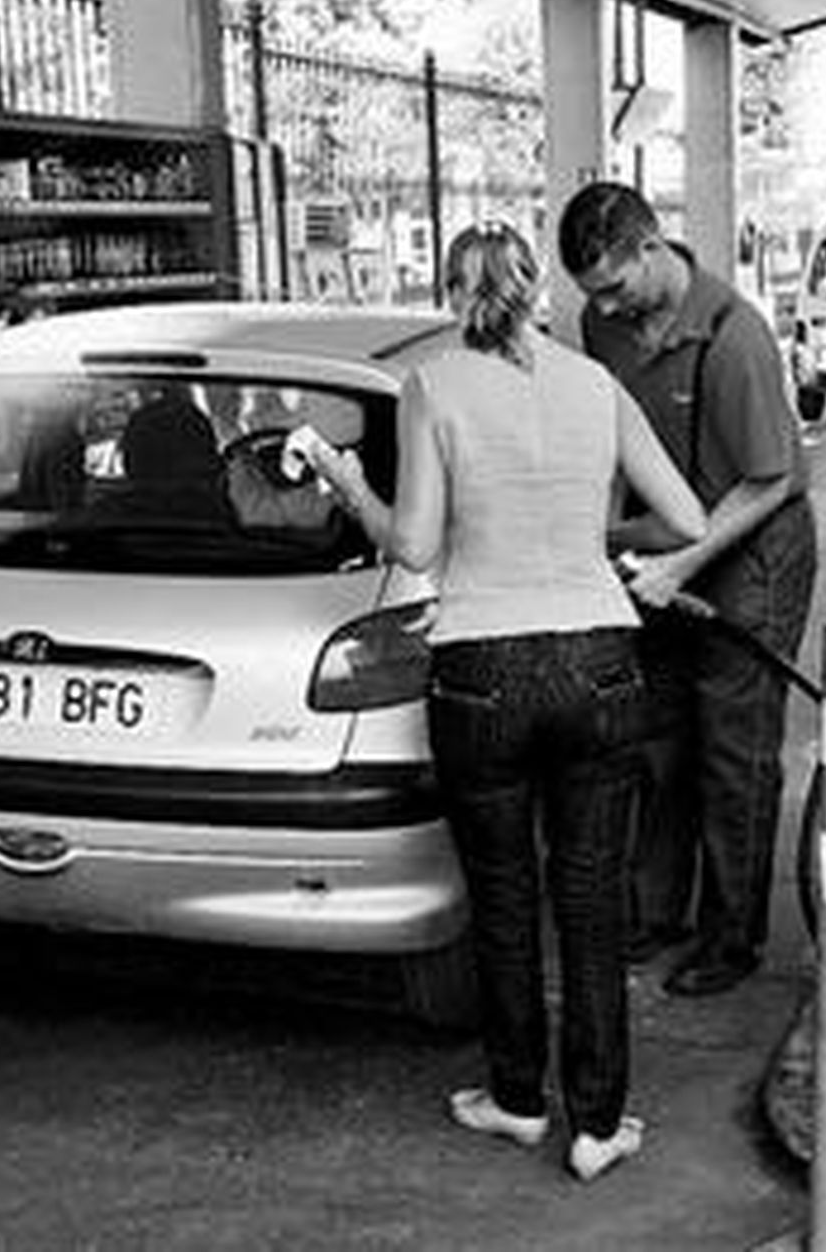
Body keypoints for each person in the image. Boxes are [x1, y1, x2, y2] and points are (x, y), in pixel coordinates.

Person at [302, 221, 705, 1181]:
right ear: (537, 291)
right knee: (592, 894)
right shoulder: (594, 384)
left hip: (481, 669)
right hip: (598, 658)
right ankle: (599, 1123)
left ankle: (519, 1099)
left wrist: (350, 482)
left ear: (453, 292)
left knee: (506, 892)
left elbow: (416, 547)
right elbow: (687, 518)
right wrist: (588, 526)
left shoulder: (433, 385)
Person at [557, 181, 818, 998]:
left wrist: (679, 565)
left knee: (731, 748)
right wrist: (602, 539)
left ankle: (731, 935)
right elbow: (609, 433)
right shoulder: (605, 324)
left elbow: (771, 479)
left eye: (614, 284)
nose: (605, 305)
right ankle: (657, 910)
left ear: (649, 248)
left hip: (751, 549)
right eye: (592, 293)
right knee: (656, 738)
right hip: (661, 548)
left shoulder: (734, 337)